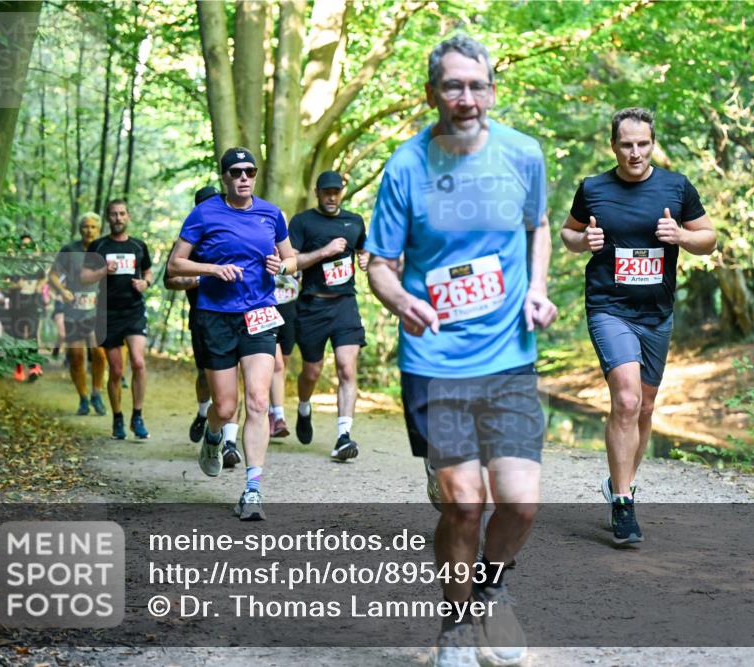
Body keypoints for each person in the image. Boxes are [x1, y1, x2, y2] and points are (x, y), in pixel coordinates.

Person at [366, 35, 556, 667]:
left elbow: (539, 226)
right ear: (432, 93)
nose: (466, 98)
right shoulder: (405, 166)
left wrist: (538, 288)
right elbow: (380, 265)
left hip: (509, 354)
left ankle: (487, 593)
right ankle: (452, 630)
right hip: (436, 361)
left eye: (477, 86)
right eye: (453, 86)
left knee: (522, 502)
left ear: (492, 91)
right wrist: (400, 301)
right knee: (465, 503)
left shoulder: (523, 154)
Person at [560, 107, 717, 545]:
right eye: (626, 144)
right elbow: (568, 234)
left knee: (646, 408)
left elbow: (708, 238)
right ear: (613, 146)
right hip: (609, 308)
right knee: (626, 400)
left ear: (652, 143)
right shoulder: (593, 189)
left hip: (657, 314)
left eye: (643, 144)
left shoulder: (676, 186)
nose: (635, 152)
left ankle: (620, 482)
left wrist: (681, 237)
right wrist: (582, 241)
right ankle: (624, 503)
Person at [168, 147, 297, 521]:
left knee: (258, 400)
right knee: (225, 408)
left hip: (258, 315)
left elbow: (291, 259)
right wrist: (211, 269)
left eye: (250, 171)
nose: (244, 177)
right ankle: (212, 436)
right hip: (216, 317)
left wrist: (282, 264)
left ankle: (252, 490)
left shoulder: (271, 214)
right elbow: (176, 264)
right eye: (236, 172)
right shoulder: (204, 213)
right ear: (224, 177)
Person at [289, 170, 368, 461]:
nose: (332, 197)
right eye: (327, 192)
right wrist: (324, 251)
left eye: (336, 192)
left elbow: (363, 248)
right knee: (312, 371)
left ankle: (343, 436)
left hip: (345, 304)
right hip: (312, 306)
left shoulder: (355, 220)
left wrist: (365, 257)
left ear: (342, 193)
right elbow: (290, 261)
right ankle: (304, 406)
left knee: (347, 369)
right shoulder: (302, 222)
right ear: (317, 193)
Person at [164, 185, 245, 467]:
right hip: (203, 318)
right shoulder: (190, 242)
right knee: (205, 376)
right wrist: (204, 277)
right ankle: (203, 413)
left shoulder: (234, 235)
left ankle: (230, 443)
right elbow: (170, 280)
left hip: (237, 316)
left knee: (235, 378)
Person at [82, 199, 153, 440]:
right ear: (107, 218)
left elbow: (148, 271)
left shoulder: (138, 245)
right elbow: (84, 277)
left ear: (128, 217)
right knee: (116, 369)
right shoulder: (98, 246)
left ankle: (138, 415)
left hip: (134, 310)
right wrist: (103, 271)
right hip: (108, 314)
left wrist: (146, 283)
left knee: (138, 362)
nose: (118, 218)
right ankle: (118, 418)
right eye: (113, 214)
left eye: (122, 214)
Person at [49, 212, 108, 415]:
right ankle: (83, 398)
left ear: (98, 229)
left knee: (100, 353)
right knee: (76, 356)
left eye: (92, 227)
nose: (88, 230)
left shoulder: (103, 248)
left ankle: (96, 393)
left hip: (96, 310)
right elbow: (53, 275)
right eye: (85, 226)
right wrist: (63, 291)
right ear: (79, 228)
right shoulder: (69, 250)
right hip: (73, 310)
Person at [2, 234, 46, 382]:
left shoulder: (37, 265)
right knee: (18, 335)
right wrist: (15, 285)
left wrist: (39, 286)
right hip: (16, 302)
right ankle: (19, 366)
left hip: (33, 302)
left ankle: (34, 367)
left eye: (29, 246)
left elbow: (43, 278)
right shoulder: (12, 265)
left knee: (32, 334)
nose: (26, 249)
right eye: (23, 246)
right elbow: (3, 285)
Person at [268, 264, 300, 439]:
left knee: (282, 364)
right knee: (275, 364)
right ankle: (276, 415)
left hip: (289, 308)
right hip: (265, 307)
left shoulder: (297, 241)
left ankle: (273, 411)